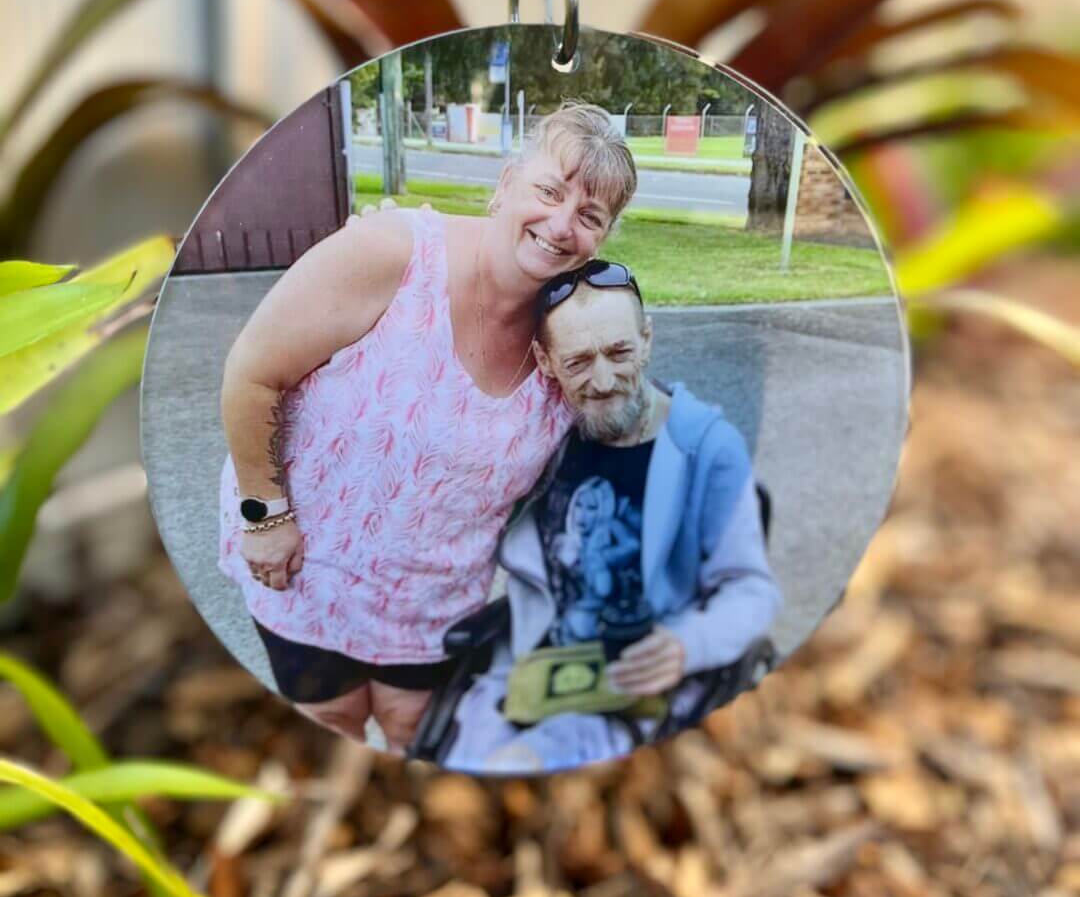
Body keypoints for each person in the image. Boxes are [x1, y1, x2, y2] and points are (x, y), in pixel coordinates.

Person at [217, 102, 637, 752]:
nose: (561, 225)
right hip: (308, 578)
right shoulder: (391, 253)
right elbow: (250, 373)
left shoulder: (571, 330)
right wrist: (264, 515)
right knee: (330, 730)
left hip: (438, 603)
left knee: (418, 732)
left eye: (590, 216)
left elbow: (608, 447)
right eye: (550, 192)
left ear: (602, 238)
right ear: (505, 185)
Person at [443, 261, 782, 773]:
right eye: (578, 361)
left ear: (646, 340)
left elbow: (751, 588)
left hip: (644, 686)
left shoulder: (708, 449)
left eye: (620, 352)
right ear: (546, 360)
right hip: (536, 669)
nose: (603, 381)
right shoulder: (538, 440)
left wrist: (691, 643)